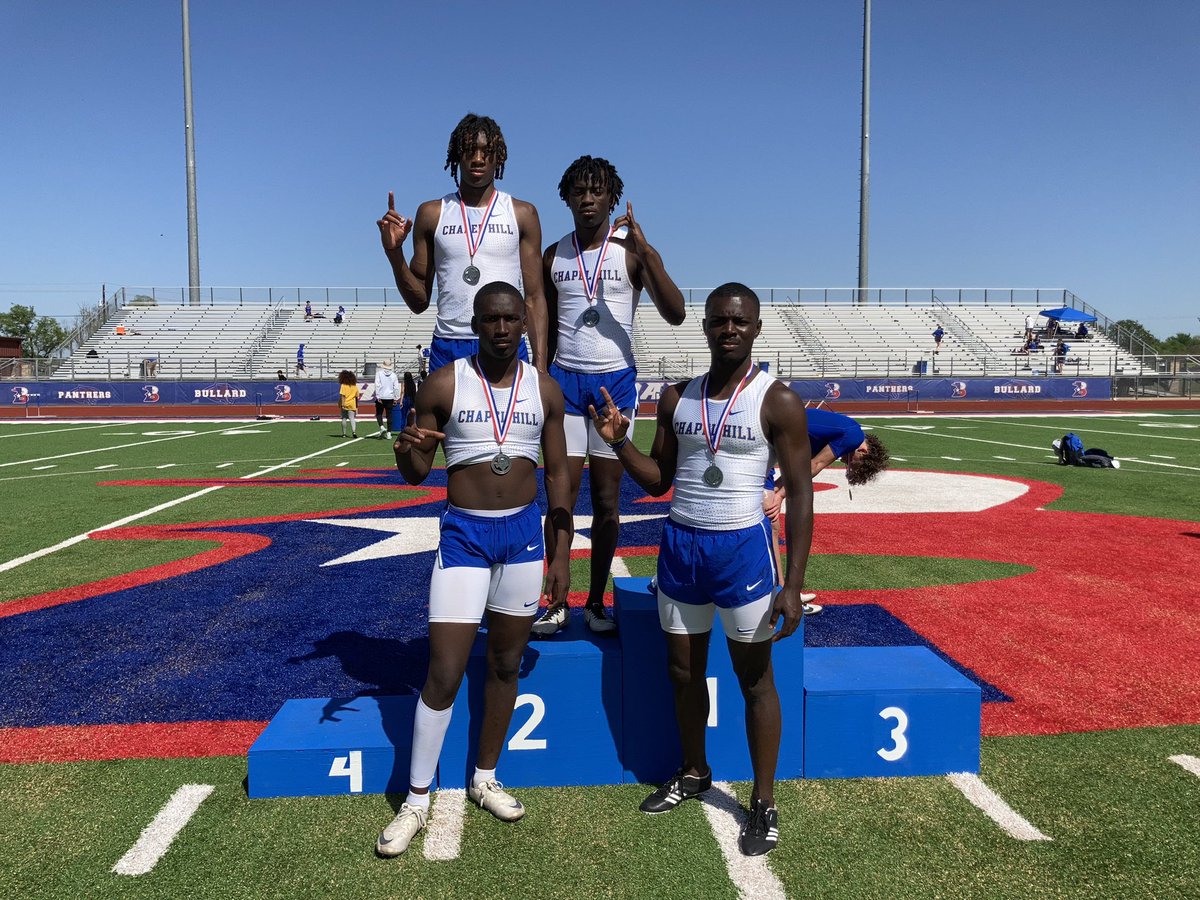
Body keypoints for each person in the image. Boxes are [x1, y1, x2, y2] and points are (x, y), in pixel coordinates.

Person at [590, 282, 814, 857]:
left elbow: (802, 493)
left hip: (743, 549)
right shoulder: (677, 397)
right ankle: (694, 772)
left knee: (754, 680)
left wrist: (793, 584)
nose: (728, 329)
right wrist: (618, 444)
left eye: (739, 321)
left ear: (756, 328)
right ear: (706, 326)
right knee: (683, 673)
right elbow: (659, 480)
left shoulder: (777, 399)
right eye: (718, 320)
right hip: (682, 544)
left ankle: (763, 802)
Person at [376, 282, 572, 858]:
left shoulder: (545, 389)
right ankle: (416, 798)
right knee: (444, 672)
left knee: (507, 664)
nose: (503, 329)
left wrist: (560, 552)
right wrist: (404, 447)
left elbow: (559, 474)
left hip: (523, 537)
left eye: (511, 318)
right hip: (464, 536)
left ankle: (485, 775)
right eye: (491, 319)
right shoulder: (444, 382)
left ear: (522, 323)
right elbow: (415, 472)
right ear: (476, 325)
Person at [532, 155, 686, 636]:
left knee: (606, 502)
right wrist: (541, 375)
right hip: (565, 382)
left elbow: (677, 312)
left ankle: (596, 600)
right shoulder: (554, 254)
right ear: (567, 197)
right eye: (579, 190)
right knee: (559, 496)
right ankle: (557, 600)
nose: (588, 197)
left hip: (613, 385)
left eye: (598, 190)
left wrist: (648, 251)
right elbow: (546, 323)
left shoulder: (631, 251)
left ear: (612, 196)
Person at [377, 113, 549, 374]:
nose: (477, 159)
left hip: (506, 344)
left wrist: (541, 365)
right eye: (469, 151)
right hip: (449, 344)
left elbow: (535, 297)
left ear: (499, 157)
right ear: (457, 155)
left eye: (486, 151)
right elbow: (418, 302)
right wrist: (394, 253)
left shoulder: (523, 213)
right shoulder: (432, 213)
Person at [762, 407, 889, 614]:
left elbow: (797, 469)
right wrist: (779, 496)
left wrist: (777, 492)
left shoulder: (838, 434)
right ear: (863, 451)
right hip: (764, 441)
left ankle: (784, 588)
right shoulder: (853, 435)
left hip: (770, 439)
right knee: (771, 522)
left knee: (771, 520)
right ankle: (781, 591)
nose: (844, 462)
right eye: (851, 463)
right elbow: (814, 465)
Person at [373, 360, 401, 438]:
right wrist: (396, 398)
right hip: (390, 397)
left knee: (379, 413)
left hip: (381, 396)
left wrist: (377, 396)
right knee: (389, 415)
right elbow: (396, 387)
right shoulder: (394, 375)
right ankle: (389, 433)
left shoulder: (379, 374)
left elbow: (377, 384)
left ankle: (381, 427)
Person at [337, 370, 359, 438]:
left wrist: (342, 404)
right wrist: (357, 407)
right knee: (352, 418)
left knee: (344, 418)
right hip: (352, 404)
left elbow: (343, 396)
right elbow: (356, 397)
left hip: (345, 404)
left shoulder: (343, 385)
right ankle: (354, 432)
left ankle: (344, 433)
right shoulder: (354, 386)